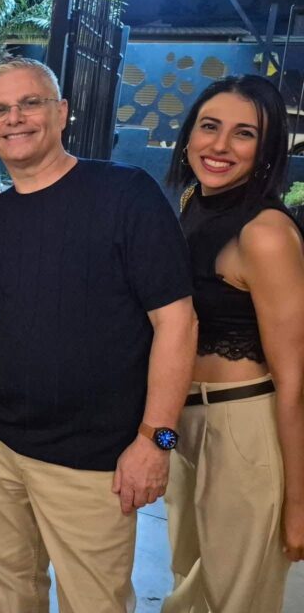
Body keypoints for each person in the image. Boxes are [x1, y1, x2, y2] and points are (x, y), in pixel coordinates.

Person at [0, 57, 198, 613]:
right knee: (12, 587)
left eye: (30, 103)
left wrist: (156, 442)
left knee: (95, 602)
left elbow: (178, 323)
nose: (15, 118)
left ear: (61, 112)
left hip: (91, 463)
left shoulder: (125, 196)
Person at [162, 75, 304, 612]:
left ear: (267, 150)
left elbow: (296, 383)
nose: (219, 145)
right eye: (209, 126)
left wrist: (298, 504)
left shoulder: (266, 234)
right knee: (187, 582)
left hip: (243, 429)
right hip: (181, 424)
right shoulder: (192, 203)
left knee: (237, 598)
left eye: (244, 134)